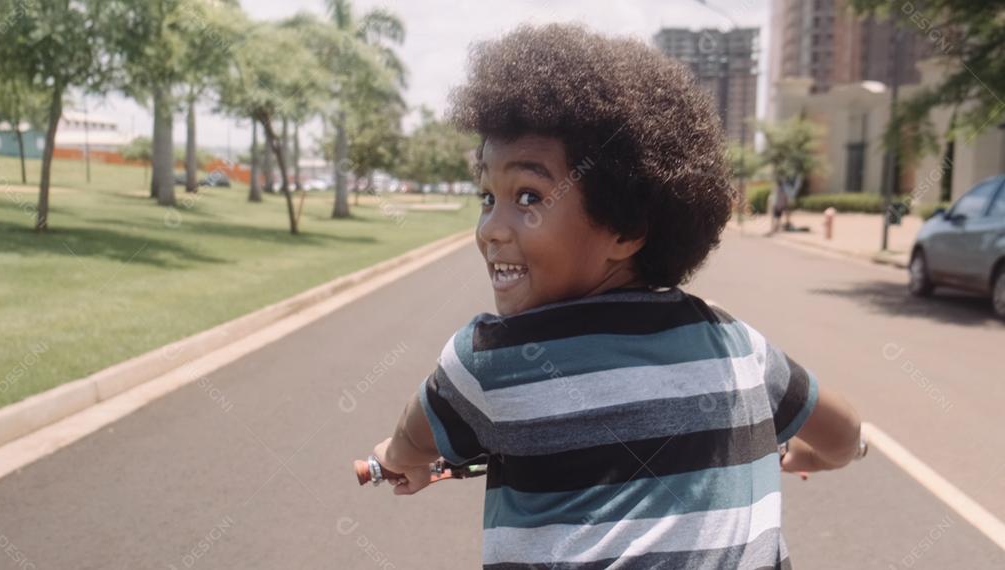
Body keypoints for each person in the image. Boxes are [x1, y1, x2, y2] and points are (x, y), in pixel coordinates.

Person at [368, 24, 863, 569]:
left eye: (527, 196)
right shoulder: (738, 345)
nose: (490, 228)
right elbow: (844, 433)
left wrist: (396, 458)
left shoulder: (489, 361)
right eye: (488, 196)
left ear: (625, 228)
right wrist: (815, 453)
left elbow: (411, 441)